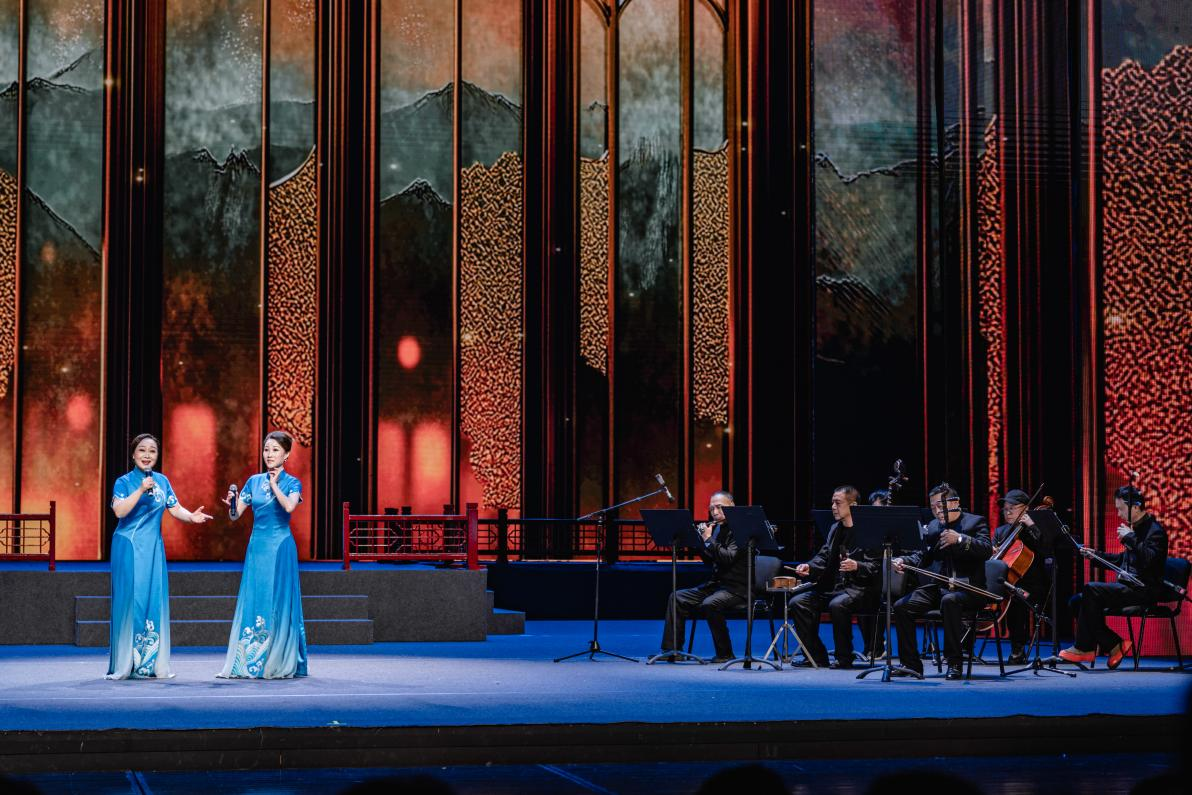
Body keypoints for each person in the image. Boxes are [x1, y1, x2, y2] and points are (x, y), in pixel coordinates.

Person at [107, 433, 213, 680]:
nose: (147, 455)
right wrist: (140, 490)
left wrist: (191, 517)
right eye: (142, 450)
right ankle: (127, 663)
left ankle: (149, 662)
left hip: (153, 548)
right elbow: (119, 511)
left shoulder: (162, 481)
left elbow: (175, 508)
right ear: (133, 454)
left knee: (153, 598)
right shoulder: (124, 482)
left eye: (152, 451)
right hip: (129, 546)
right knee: (132, 601)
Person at [218, 431, 308, 679]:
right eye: (267, 449)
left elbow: (289, 506)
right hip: (258, 547)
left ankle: (276, 658)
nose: (269, 454)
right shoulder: (253, 481)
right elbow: (235, 515)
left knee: (277, 600)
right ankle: (249, 659)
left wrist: (274, 485)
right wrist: (232, 504)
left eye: (275, 450)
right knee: (256, 597)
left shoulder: (292, 483)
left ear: (286, 454)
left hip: (280, 547)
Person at [1058, 485, 1168, 669]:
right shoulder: (1136, 530)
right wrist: (1095, 555)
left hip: (1144, 590)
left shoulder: (1155, 531)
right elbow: (1122, 560)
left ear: (1135, 506)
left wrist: (1131, 538)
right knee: (1077, 602)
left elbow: (1149, 560)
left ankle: (1084, 648)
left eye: (1121, 509)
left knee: (1091, 589)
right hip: (1129, 588)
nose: (1118, 514)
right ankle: (1114, 644)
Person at [891, 483, 991, 680]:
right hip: (940, 588)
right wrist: (903, 561)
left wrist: (961, 539)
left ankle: (954, 662)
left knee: (950, 601)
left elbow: (987, 549)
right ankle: (910, 664)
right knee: (901, 606)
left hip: (970, 590)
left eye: (940, 505)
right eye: (933, 507)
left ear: (955, 503)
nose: (936, 511)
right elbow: (922, 556)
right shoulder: (933, 526)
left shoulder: (975, 522)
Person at [788, 485, 880, 669]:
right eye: (832, 503)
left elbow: (877, 567)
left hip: (861, 589)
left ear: (853, 505)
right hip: (835, 588)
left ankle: (844, 657)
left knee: (838, 605)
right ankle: (816, 656)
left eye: (838, 503)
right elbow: (823, 556)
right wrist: (809, 566)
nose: (833, 507)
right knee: (798, 602)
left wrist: (857, 565)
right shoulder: (834, 529)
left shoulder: (868, 531)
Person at [660, 490, 748, 663]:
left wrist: (709, 540)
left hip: (737, 588)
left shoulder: (741, 530)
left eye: (719, 507)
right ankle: (672, 650)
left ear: (732, 506)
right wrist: (699, 542)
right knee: (677, 597)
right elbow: (710, 560)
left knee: (710, 604)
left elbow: (728, 558)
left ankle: (725, 654)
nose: (715, 512)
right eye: (711, 509)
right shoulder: (717, 529)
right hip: (716, 586)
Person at [991, 489, 1047, 665]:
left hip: (1032, 586)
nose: (1007, 512)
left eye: (1012, 508)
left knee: (1016, 600)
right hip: (1003, 583)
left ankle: (1017, 650)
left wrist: (1031, 525)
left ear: (1025, 509)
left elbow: (1046, 547)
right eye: (1005, 509)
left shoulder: (1034, 530)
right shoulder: (1001, 532)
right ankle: (964, 647)